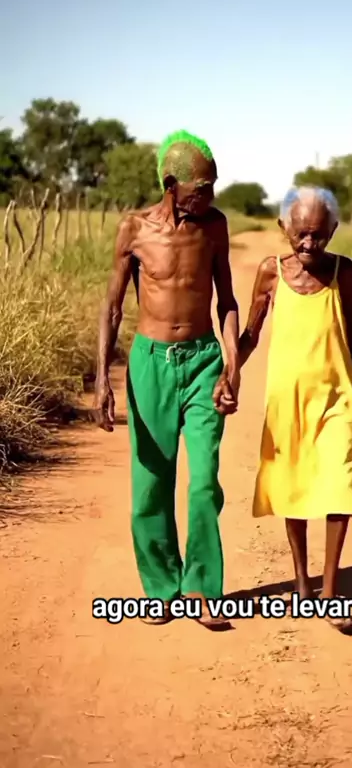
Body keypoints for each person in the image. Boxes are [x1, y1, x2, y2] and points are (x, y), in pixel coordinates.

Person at [93, 130, 240, 629]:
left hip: (203, 362)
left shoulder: (214, 227)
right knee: (151, 485)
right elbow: (113, 307)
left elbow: (227, 302)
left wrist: (232, 366)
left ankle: (202, 588)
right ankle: (161, 589)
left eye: (213, 186)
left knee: (204, 480)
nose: (211, 196)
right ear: (172, 185)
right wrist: (102, 378)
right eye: (203, 188)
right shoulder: (133, 229)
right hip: (150, 363)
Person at [235, 185, 352, 632]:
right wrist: (228, 372)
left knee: (340, 485)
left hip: (337, 399)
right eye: (301, 234)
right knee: (293, 487)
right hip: (287, 402)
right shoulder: (271, 272)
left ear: (333, 230)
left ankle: (330, 594)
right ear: (284, 228)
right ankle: (301, 583)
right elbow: (251, 334)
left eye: (319, 234)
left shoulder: (342, 271)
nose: (309, 243)